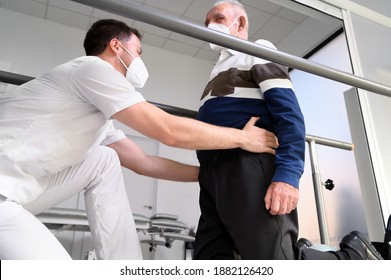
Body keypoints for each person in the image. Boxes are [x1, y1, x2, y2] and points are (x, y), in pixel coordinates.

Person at [0, 19, 279, 260]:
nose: (140, 60)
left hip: (17, 190)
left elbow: (143, 162)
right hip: (3, 189)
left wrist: (210, 174)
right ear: (116, 46)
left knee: (105, 158)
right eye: (138, 51)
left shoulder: (98, 112)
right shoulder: (92, 69)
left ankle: (125, 267)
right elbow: (167, 129)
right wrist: (241, 138)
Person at [193, 0, 383, 260]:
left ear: (241, 23)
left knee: (273, 262)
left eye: (218, 18)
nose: (210, 26)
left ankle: (352, 258)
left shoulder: (256, 50)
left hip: (249, 164)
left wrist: (288, 176)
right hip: (213, 172)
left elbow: (290, 114)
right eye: (207, 23)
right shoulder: (215, 69)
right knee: (210, 258)